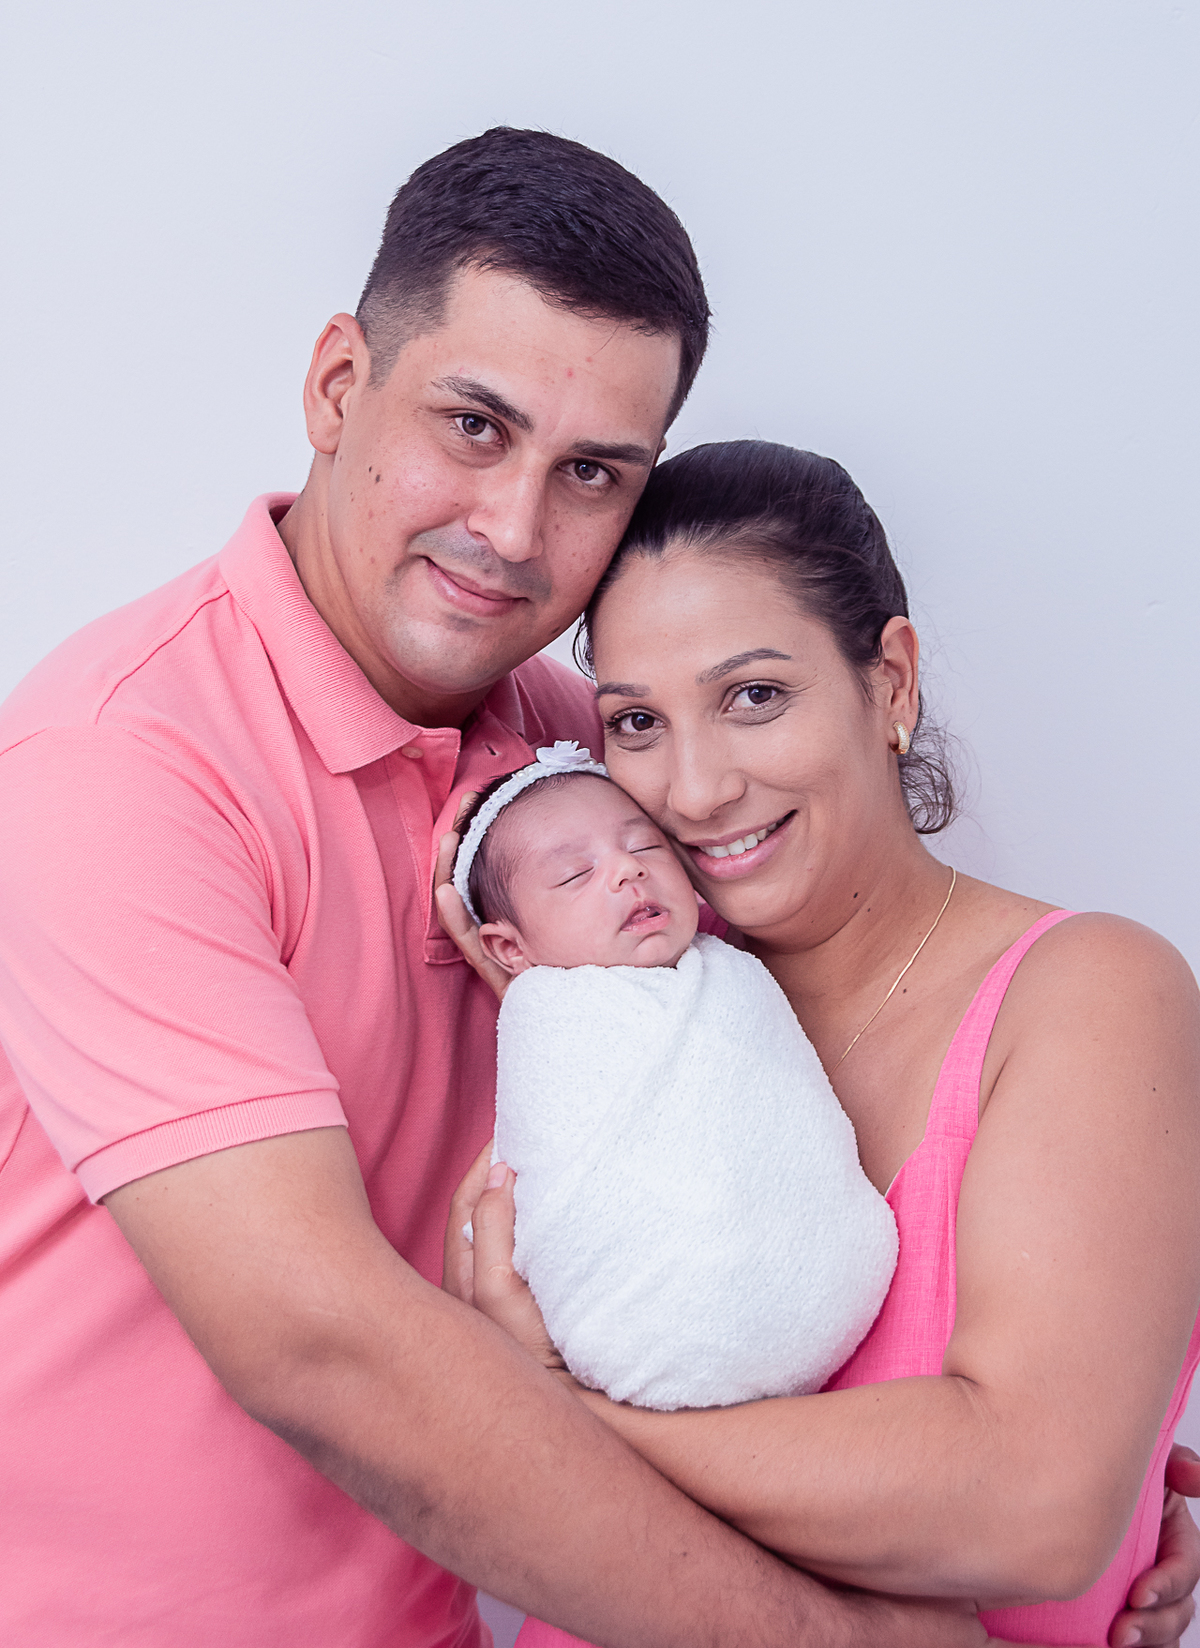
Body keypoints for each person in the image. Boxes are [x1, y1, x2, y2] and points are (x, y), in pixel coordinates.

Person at [0, 127, 1061, 1648]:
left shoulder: (587, 754)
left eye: (591, 474)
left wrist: (1024, 1493)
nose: (512, 532)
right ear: (337, 385)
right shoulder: (121, 762)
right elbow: (318, 1347)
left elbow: (795, 1098)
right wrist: (850, 1639)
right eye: (473, 425)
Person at [438, 440, 1200, 1648]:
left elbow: (1035, 1510)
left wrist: (561, 1420)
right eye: (636, 720)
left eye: (754, 696)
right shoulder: (608, 1017)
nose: (693, 790)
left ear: (889, 682)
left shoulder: (1089, 994)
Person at [449, 743, 896, 1410]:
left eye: (646, 847)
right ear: (510, 948)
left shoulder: (733, 973)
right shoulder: (551, 1023)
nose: (628, 870)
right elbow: (549, 1156)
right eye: (575, 874)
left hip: (827, 1279)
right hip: (651, 1322)